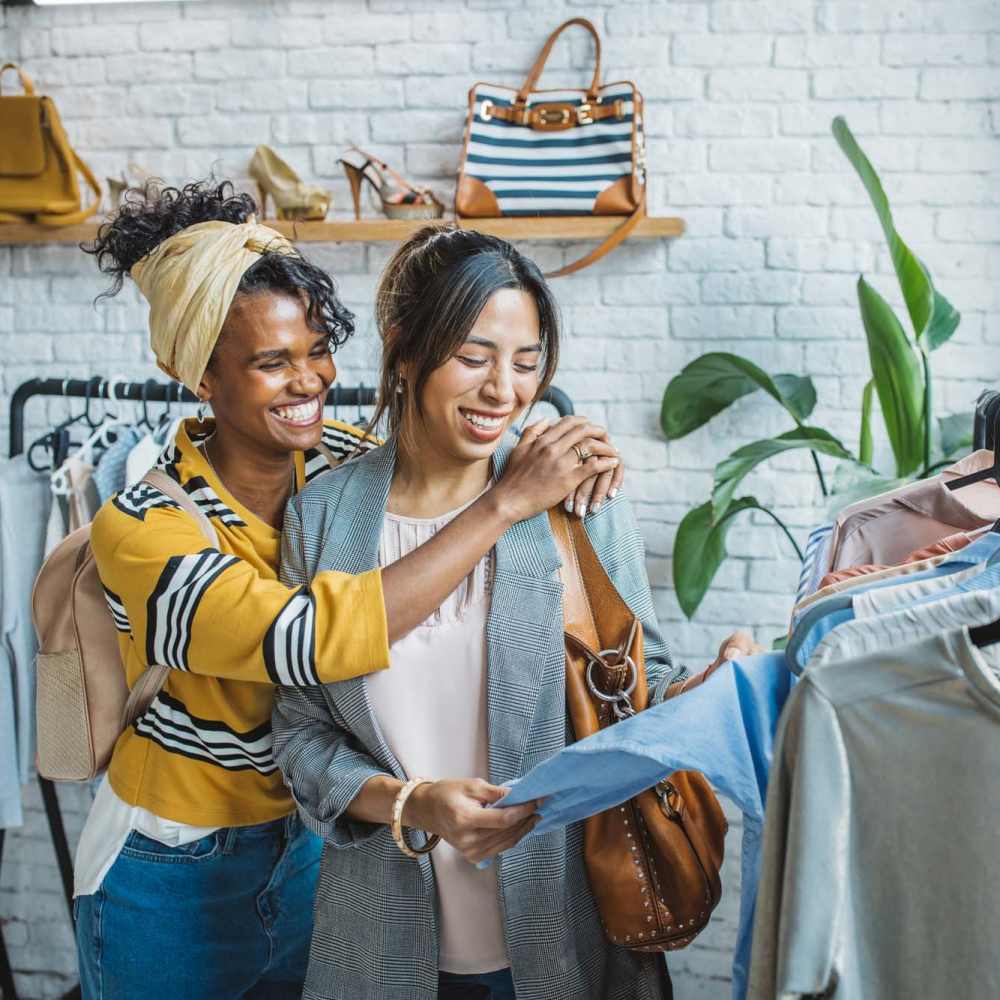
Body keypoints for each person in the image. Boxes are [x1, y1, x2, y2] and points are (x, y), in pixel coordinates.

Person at [74, 183, 625, 999]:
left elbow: (431, 454)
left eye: (317, 350)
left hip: (310, 855)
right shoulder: (144, 525)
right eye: (271, 363)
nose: (309, 382)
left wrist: (569, 456)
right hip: (175, 862)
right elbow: (306, 644)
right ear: (194, 375)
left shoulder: (337, 465)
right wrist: (505, 502)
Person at [273, 226, 757, 1000]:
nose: (505, 389)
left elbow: (638, 685)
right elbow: (300, 736)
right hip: (377, 950)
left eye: (526, 363)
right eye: (474, 357)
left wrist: (716, 690)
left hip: (568, 934)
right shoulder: (322, 517)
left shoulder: (577, 498)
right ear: (404, 347)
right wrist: (411, 802)